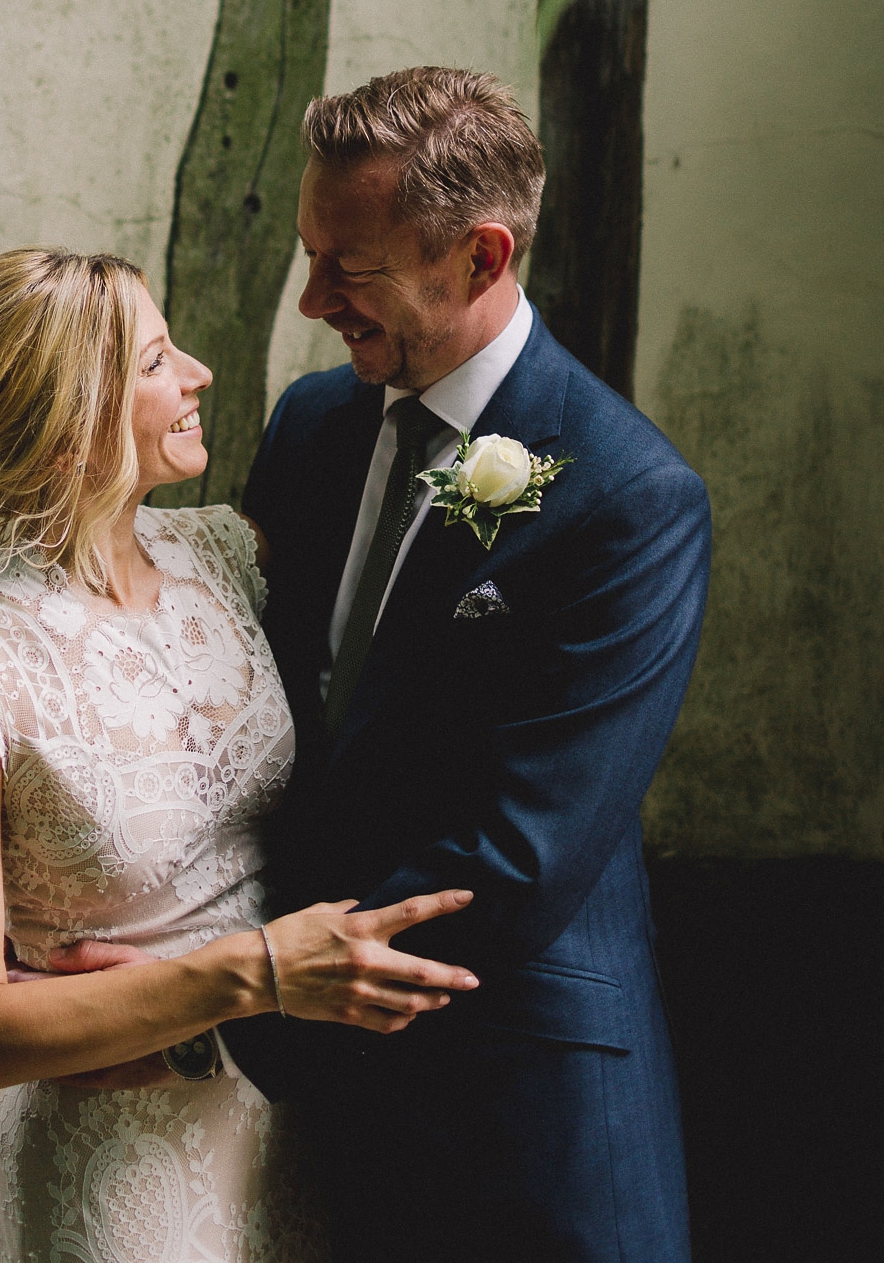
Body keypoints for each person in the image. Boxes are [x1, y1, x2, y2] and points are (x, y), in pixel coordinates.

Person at [0, 246, 478, 1263]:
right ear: (73, 428)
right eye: (157, 362)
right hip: (114, 1165)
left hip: (292, 1124)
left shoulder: (227, 555)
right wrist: (254, 975)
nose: (198, 374)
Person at [213, 66, 712, 1261]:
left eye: (352, 267)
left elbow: (523, 853)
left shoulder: (631, 498)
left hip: (522, 1104)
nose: (310, 298)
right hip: (311, 1108)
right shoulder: (310, 429)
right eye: (308, 252)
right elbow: (256, 711)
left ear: (482, 258)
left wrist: (250, 996)